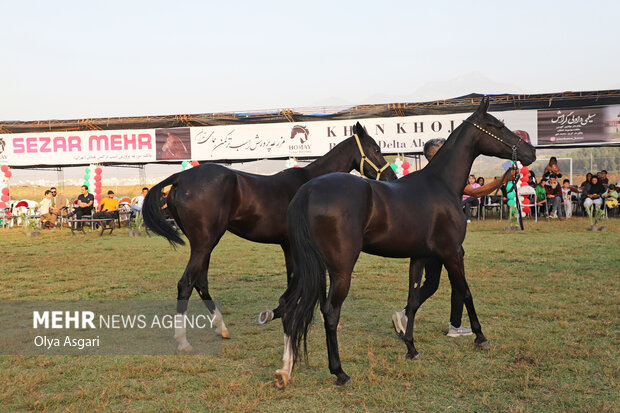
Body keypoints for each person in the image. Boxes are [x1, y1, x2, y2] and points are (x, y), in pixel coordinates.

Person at [392, 138, 516, 338]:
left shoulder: (423, 177)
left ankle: (404, 313)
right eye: (445, 149)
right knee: (458, 280)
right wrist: (504, 179)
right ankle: (455, 326)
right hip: (446, 238)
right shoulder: (445, 177)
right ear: (435, 155)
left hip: (428, 239)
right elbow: (477, 191)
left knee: (432, 283)